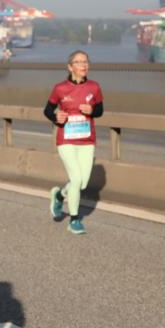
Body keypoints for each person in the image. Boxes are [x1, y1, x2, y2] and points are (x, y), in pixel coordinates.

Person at [44, 50, 104, 234]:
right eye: (79, 62)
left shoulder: (94, 87)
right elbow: (47, 110)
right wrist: (57, 117)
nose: (83, 65)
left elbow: (100, 111)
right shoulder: (60, 88)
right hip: (66, 140)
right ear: (70, 67)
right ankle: (75, 220)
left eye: (86, 62)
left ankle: (59, 195)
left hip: (87, 140)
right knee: (76, 179)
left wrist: (91, 111)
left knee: (82, 184)